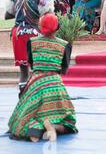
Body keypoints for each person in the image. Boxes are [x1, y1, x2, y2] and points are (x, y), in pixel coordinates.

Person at [7, 13, 77, 142]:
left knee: (20, 120)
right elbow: (63, 69)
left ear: (40, 27)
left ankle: (35, 129)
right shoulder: (65, 45)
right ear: (57, 28)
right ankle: (53, 126)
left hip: (36, 83)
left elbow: (31, 64)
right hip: (55, 85)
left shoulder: (32, 42)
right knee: (68, 121)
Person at [10, 0, 43, 94]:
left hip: (17, 32)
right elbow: (45, 12)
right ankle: (36, 98)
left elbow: (8, 14)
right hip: (33, 32)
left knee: (23, 70)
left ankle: (22, 96)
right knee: (37, 68)